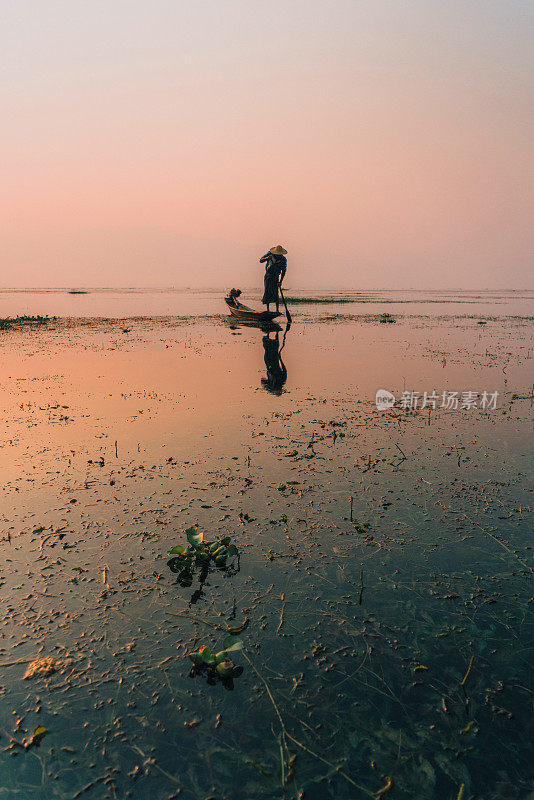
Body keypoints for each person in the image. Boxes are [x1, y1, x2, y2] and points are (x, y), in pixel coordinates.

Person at [260, 245, 287, 313]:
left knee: (275, 293)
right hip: (268, 276)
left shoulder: (283, 259)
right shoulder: (270, 254)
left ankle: (277, 310)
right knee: (267, 291)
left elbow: (283, 271)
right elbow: (261, 260)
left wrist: (280, 281)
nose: (278, 255)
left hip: (276, 277)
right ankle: (268, 309)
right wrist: (267, 258)